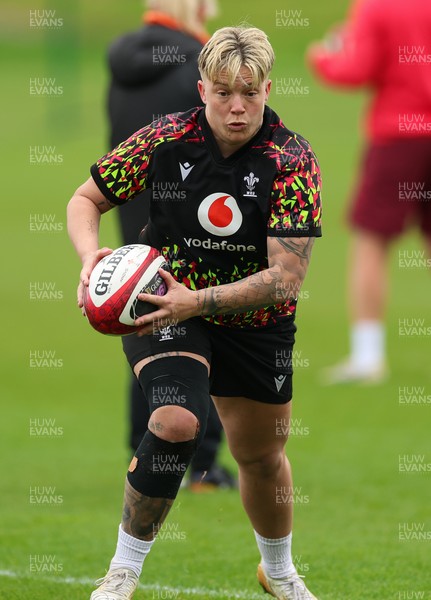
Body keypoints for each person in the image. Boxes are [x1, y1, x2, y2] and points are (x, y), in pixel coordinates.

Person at [67, 25, 322, 600]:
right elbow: (86, 198)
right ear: (201, 87)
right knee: (177, 423)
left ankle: (277, 569)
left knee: (260, 457)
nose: (237, 107)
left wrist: (199, 298)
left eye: (250, 93)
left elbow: (286, 277)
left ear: (267, 89)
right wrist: (91, 257)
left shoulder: (290, 159)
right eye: (224, 91)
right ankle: (122, 572)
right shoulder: (165, 137)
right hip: (165, 307)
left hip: (257, 322)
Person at [107, 0, 235, 490]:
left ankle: (146, 448)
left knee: (140, 316)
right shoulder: (199, 64)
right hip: (194, 218)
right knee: (204, 327)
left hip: (134, 211)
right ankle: (199, 462)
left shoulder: (122, 62)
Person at [307, 0, 431, 384]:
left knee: (370, 243)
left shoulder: (377, 6)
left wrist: (323, 56)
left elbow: (356, 70)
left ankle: (368, 356)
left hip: (397, 136)